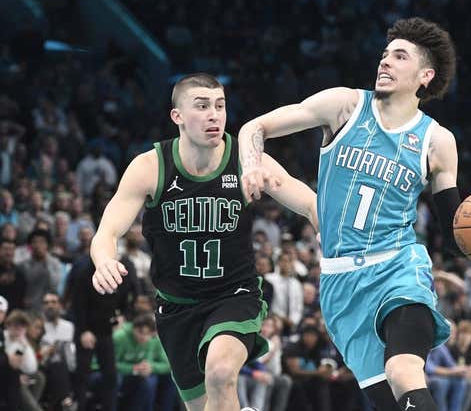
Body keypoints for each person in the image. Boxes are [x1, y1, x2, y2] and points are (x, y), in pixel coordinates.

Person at [238, 17, 471, 411]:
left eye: (399, 56)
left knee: (403, 371)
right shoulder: (344, 105)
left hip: (398, 268)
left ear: (425, 75)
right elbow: (255, 127)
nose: (385, 62)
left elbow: (454, 228)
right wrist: (252, 164)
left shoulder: (437, 141)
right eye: (384, 54)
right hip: (340, 285)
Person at [90, 73, 317, 411]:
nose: (214, 114)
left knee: (221, 372)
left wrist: (338, 241)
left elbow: (310, 203)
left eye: (220, 106)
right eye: (202, 106)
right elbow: (106, 233)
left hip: (234, 295)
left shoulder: (246, 158)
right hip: (176, 306)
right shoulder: (150, 167)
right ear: (177, 116)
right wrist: (104, 261)